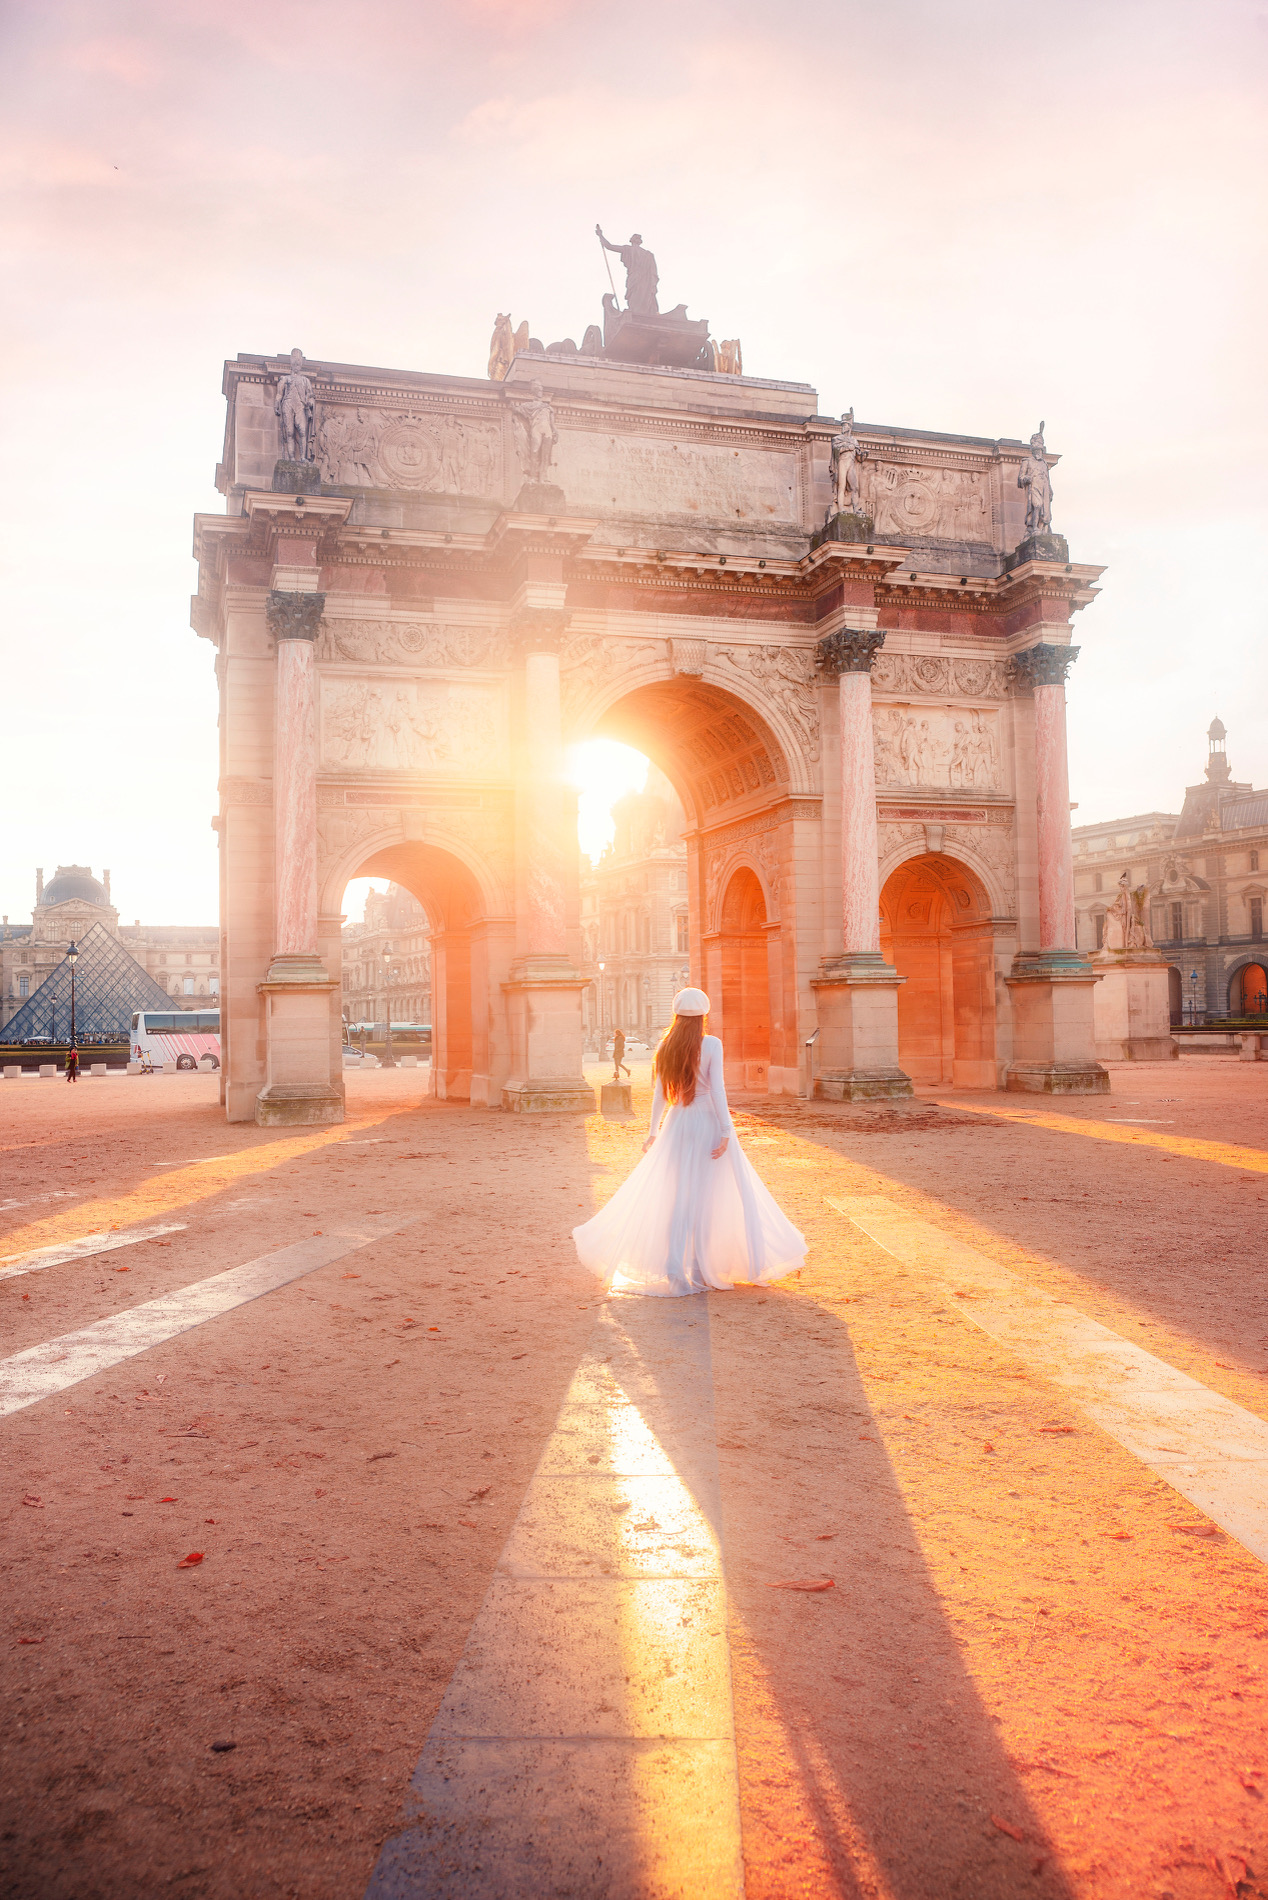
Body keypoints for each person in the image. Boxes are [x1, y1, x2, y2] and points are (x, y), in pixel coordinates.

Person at [573, 989, 807, 1297]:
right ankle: (700, 1268)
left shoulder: (665, 1045)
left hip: (677, 1123)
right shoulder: (711, 1044)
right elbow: (717, 1090)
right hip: (707, 1122)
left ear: (677, 1015)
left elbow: (659, 1095)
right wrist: (726, 1130)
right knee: (708, 1198)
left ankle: (674, 1269)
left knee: (678, 1197)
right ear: (703, 1016)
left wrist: (653, 1132)